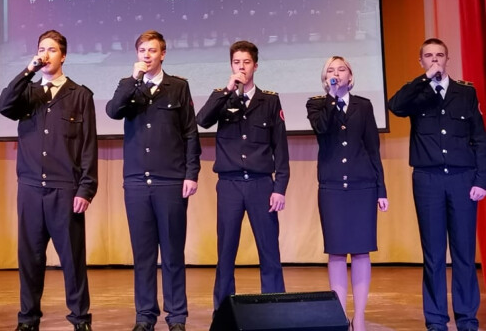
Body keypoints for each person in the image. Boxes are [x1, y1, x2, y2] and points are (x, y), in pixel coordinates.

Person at [0, 30, 97, 331]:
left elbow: (88, 146)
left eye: (51, 50)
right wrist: (28, 70)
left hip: (65, 189)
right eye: (41, 49)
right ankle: (28, 319)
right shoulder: (28, 92)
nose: (45, 55)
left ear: (63, 56)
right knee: (30, 258)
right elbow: (3, 105)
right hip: (30, 188)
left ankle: (80, 319)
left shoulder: (79, 95)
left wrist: (86, 189)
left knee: (72, 259)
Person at [388, 38, 486, 331]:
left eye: (439, 55)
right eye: (429, 56)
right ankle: (435, 321)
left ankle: (467, 319)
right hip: (428, 180)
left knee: (464, 254)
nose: (435, 60)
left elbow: (479, 138)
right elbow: (395, 106)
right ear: (421, 62)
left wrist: (481, 179)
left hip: (462, 179)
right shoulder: (417, 93)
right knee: (433, 255)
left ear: (447, 59)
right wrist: (424, 80)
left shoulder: (465, 92)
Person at [105, 30, 200, 331]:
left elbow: (190, 132)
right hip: (136, 182)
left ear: (163, 54)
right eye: (142, 50)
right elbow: (112, 111)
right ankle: (145, 316)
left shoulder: (178, 87)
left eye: (152, 50)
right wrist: (133, 80)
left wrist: (191, 173)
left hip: (170, 181)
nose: (146, 55)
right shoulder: (128, 85)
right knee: (143, 254)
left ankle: (177, 317)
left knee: (172, 253)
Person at [195, 41, 289, 311]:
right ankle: (224, 310)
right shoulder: (222, 97)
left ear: (255, 66)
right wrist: (227, 90)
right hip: (230, 184)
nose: (241, 67)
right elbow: (202, 120)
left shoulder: (269, 100)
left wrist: (279, 188)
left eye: (246, 62)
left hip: (261, 184)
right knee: (226, 251)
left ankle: (275, 309)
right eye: (237, 62)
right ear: (231, 66)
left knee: (269, 250)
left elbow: (280, 148)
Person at [306, 57, 388, 331]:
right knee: (337, 252)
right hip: (332, 188)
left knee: (362, 252)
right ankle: (340, 317)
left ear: (350, 76)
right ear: (324, 78)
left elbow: (373, 148)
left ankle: (359, 317)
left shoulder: (363, 105)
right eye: (331, 70)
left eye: (341, 69)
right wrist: (332, 97)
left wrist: (381, 188)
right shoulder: (317, 104)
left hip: (362, 186)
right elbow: (321, 128)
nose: (336, 73)